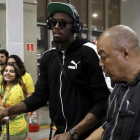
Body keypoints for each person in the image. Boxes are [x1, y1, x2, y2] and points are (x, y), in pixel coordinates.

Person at [0, 2, 111, 140]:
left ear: (75, 27)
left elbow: (103, 101)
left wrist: (72, 133)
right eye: (53, 23)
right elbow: (40, 96)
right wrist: (6, 111)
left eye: (62, 23)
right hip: (60, 133)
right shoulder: (48, 57)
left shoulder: (88, 53)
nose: (56, 27)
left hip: (88, 133)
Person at [85, 25, 140, 140]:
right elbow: (109, 124)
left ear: (125, 53)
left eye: (104, 57)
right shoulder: (119, 86)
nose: (100, 63)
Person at [0, 64, 28, 140]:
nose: (8, 73)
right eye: (6, 71)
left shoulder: (15, 91)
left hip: (14, 131)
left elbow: (13, 115)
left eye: (11, 71)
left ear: (16, 75)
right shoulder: (8, 87)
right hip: (12, 127)